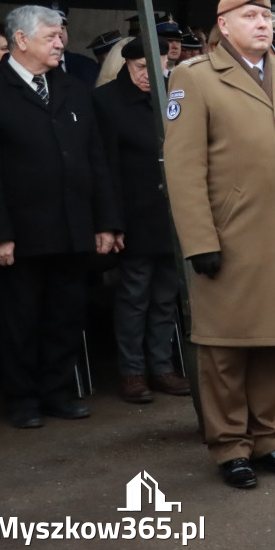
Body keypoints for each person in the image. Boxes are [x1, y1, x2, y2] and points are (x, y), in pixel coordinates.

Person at [164, 0, 275, 488]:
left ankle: (267, 438)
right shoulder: (195, 77)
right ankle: (229, 448)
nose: (264, 24)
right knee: (225, 348)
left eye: (267, 16)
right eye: (250, 16)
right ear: (224, 25)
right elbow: (183, 169)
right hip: (231, 237)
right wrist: (199, 240)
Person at [0, 5, 120, 428]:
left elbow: (96, 159)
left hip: (71, 227)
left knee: (65, 315)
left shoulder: (73, 89)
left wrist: (105, 222)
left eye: (61, 36)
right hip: (20, 234)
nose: (61, 43)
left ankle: (57, 392)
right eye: (51, 37)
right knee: (21, 320)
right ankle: (23, 399)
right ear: (21, 40)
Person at [94, 37, 190, 404]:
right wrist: (111, 221)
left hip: (170, 213)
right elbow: (105, 169)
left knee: (166, 296)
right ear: (126, 65)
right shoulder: (106, 101)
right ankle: (132, 372)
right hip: (133, 214)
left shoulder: (173, 97)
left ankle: (162, 366)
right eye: (140, 68)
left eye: (159, 66)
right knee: (134, 296)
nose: (150, 74)